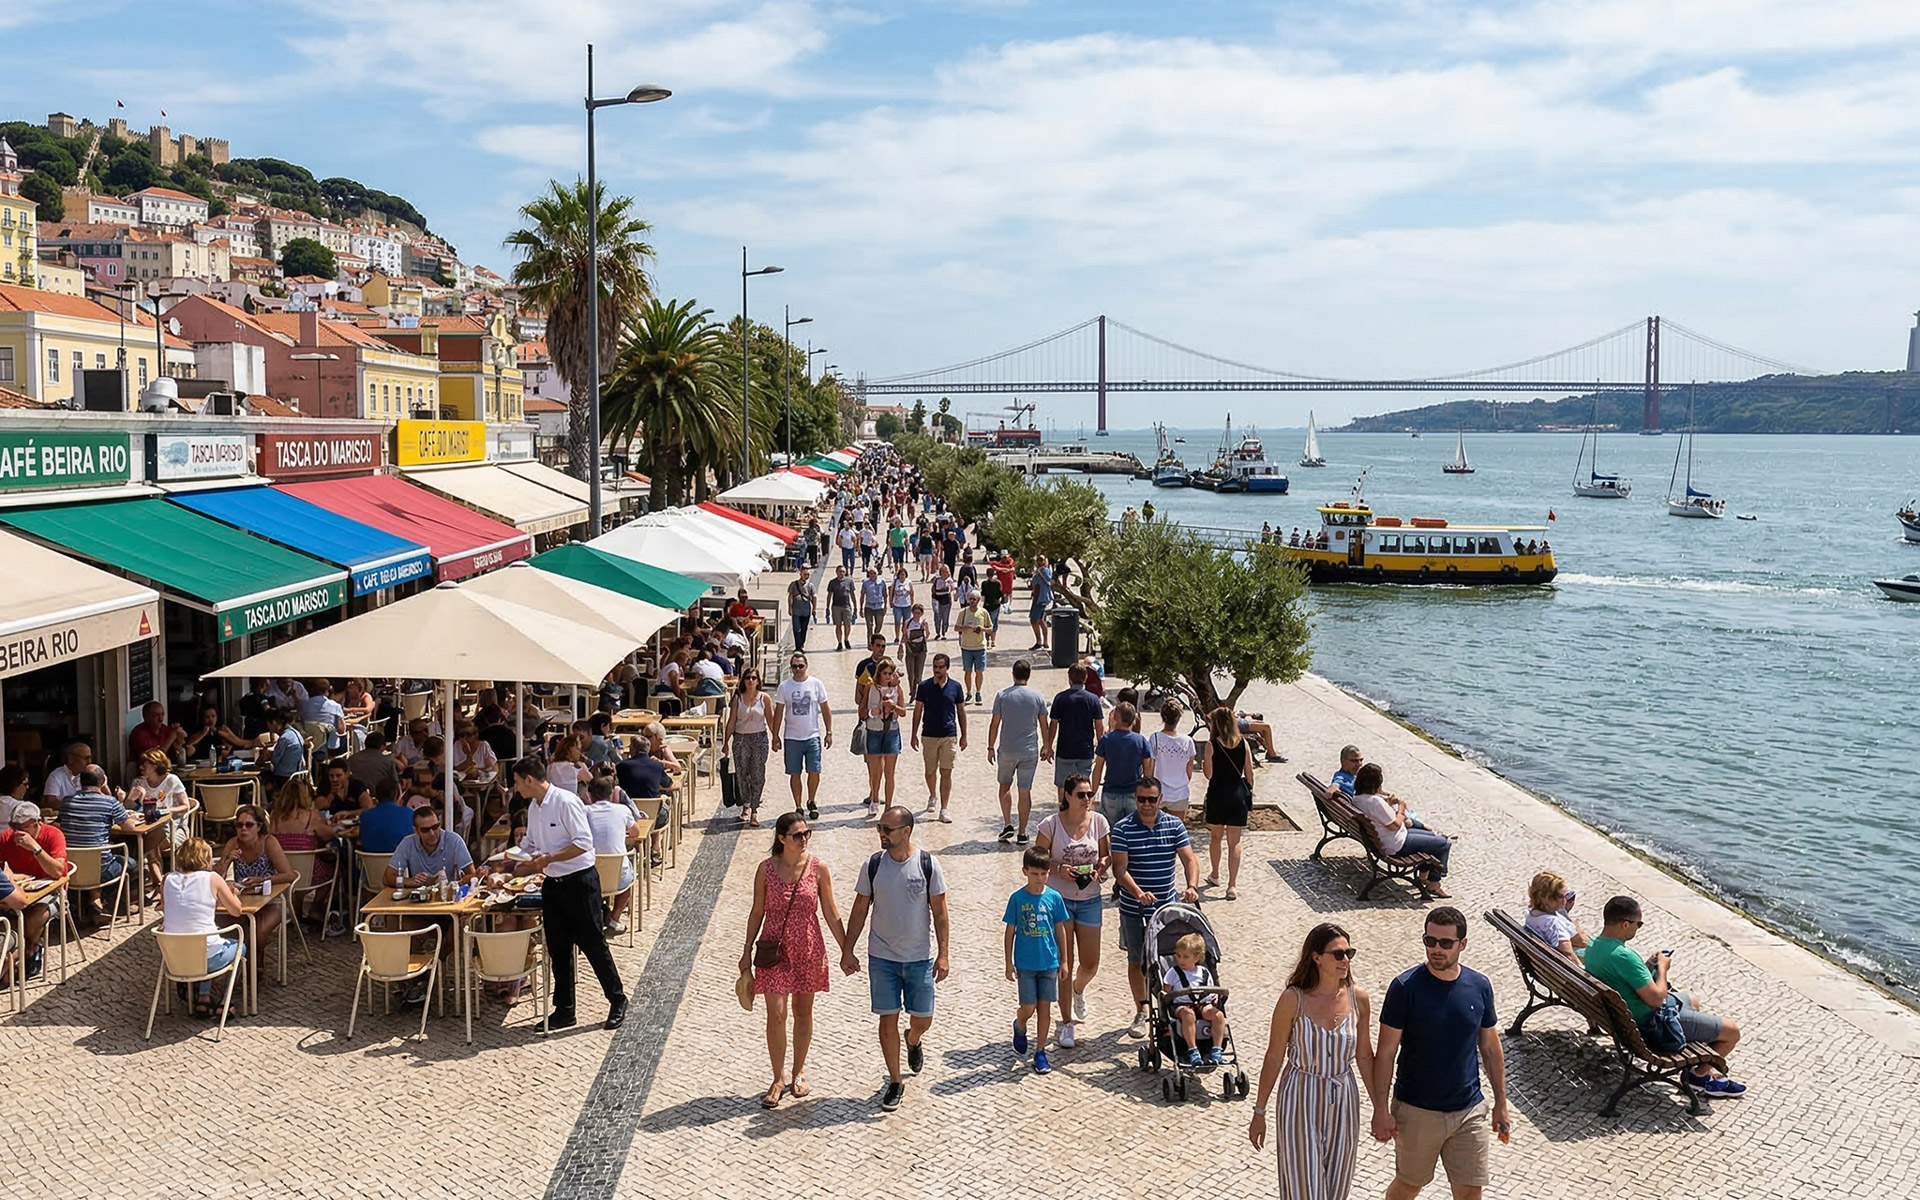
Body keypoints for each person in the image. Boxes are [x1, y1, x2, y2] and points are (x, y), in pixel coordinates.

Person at [1373, 907, 1510, 1200]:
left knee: (1470, 1192)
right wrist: (1380, 1109)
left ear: (1463, 944)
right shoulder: (1404, 988)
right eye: (1430, 940)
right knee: (1409, 1186)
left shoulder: (1479, 986)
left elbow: (1489, 1047)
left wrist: (1501, 1102)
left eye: (1445, 943)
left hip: (1469, 1110)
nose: (1436, 949)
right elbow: (1385, 1053)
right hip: (1417, 1111)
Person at [1248, 922, 1380, 1200]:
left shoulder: (1359, 999)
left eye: (1349, 953)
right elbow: (1274, 1056)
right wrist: (1259, 1112)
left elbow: (1365, 1056)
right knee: (1304, 1189)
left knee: (1337, 1188)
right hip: (1299, 1098)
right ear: (1316, 957)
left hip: (1344, 1100)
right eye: (1338, 954)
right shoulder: (1292, 999)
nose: (1345, 960)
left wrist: (1380, 1107)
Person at [841, 806, 951, 1113]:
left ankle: (913, 1039)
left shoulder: (928, 864)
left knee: (923, 1019)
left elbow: (940, 913)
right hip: (882, 958)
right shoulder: (873, 865)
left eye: (887, 829)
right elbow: (860, 909)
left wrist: (944, 954)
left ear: (906, 831)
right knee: (886, 1019)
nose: (881, 834)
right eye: (880, 828)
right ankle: (895, 1080)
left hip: (919, 958)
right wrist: (848, 949)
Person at [741, 810, 852, 1109]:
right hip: (774, 949)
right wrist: (746, 951)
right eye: (797, 835)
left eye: (807, 834)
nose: (804, 839)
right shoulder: (766, 869)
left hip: (807, 947)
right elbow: (757, 911)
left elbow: (830, 911)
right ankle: (777, 1078)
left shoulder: (818, 868)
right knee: (776, 1014)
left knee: (803, 1012)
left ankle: (798, 1071)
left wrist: (846, 949)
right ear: (781, 838)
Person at [1584, 895, 1746, 1096]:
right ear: (1625, 924)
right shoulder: (1624, 957)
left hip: (1621, 1018)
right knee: (1732, 1031)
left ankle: (1696, 1055)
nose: (1638, 928)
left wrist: (1647, 966)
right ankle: (1699, 1075)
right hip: (1651, 1025)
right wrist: (1662, 968)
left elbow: (1625, 978)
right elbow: (1657, 1000)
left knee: (1692, 1000)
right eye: (1638, 924)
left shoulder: (1593, 946)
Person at [509, 757, 627, 1031]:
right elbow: (530, 844)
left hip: (579, 882)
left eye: (517, 782)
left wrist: (548, 858)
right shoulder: (534, 807)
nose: (516, 788)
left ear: (529, 779)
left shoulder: (566, 802)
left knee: (593, 944)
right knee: (558, 948)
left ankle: (617, 999)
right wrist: (507, 861)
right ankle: (564, 1010)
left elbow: (583, 842)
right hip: (553, 884)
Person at [1109, 776, 1200, 1038]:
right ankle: (1142, 1010)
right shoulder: (1123, 829)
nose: (1146, 804)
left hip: (1166, 911)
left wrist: (1192, 886)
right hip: (1134, 909)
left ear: (1160, 799)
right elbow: (1120, 869)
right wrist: (1138, 893)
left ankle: (1170, 1007)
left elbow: (1189, 860)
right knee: (1136, 960)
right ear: (1135, 799)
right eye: (1141, 799)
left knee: (1171, 958)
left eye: (1151, 799)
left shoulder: (1174, 825)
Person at [1033, 775, 1108, 1049]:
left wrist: (1101, 867)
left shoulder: (1099, 822)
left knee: (1090, 963)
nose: (1087, 799)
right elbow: (1035, 858)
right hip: (1058, 901)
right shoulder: (1050, 825)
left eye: (1090, 794)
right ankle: (1066, 1022)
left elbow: (1106, 855)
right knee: (1064, 963)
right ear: (1067, 796)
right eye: (1081, 794)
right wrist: (1058, 870)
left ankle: (1079, 988)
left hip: (1090, 899)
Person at [160, 836, 247, 1017]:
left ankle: (203, 998)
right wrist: (233, 893)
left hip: (175, 959)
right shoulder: (212, 878)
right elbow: (236, 911)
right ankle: (225, 1001)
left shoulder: (167, 879)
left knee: (203, 938)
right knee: (240, 946)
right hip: (205, 958)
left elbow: (169, 907)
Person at [1003, 845, 1071, 1075]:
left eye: (1043, 873)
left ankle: (1040, 1051)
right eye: (1034, 874)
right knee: (1028, 1007)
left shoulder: (1054, 897)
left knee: (1045, 1009)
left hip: (1049, 963)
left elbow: (1060, 929)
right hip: (1025, 964)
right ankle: (1020, 1023)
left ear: (1048, 873)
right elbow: (1010, 931)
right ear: (1025, 872)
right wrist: (1008, 962)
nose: (1039, 878)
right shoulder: (1017, 898)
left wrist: (1064, 960)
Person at [1348, 764, 1453, 898]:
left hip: (1386, 839)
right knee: (1443, 844)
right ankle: (1434, 884)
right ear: (1377, 783)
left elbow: (1378, 816)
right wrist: (1401, 808)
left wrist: (1388, 805)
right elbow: (1395, 826)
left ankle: (1424, 876)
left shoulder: (1358, 798)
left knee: (1434, 836)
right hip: (1395, 843)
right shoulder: (1375, 802)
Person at [56, 765, 140, 920]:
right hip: (100, 869)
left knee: (95, 855)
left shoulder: (67, 802)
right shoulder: (109, 802)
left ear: (80, 782)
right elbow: (129, 827)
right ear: (103, 781)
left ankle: (93, 901)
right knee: (131, 864)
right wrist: (131, 817)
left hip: (72, 868)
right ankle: (105, 901)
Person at [988, 659, 1052, 844]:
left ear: (1013, 674)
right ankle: (1022, 832)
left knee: (1004, 786)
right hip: (1029, 750)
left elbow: (995, 723)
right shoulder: (1037, 697)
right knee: (1025, 791)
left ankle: (1008, 823)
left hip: (1007, 749)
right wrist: (1047, 745)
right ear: (1029, 675)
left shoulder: (1002, 695)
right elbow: (1044, 724)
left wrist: (990, 747)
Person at [216, 804, 296, 948]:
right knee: (223, 927)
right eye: (239, 825)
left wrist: (263, 880)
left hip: (270, 900)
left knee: (257, 934)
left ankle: (255, 961)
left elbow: (289, 875)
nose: (243, 829)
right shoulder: (233, 843)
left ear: (259, 827)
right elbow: (217, 877)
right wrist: (227, 861)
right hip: (242, 902)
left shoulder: (269, 843)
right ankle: (242, 960)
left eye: (249, 825)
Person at [1201, 706, 1255, 900]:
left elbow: (1209, 774)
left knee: (1216, 838)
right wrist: (1249, 791)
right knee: (1235, 842)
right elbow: (1249, 773)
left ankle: (1215, 874)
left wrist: (1204, 764)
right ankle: (1232, 885)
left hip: (1218, 793)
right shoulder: (1243, 743)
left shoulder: (1212, 745)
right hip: (1237, 795)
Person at [0, 805, 60, 977]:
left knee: (34, 919)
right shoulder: (6, 837)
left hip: (50, 891)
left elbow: (58, 872)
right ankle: (20, 954)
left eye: (21, 828)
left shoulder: (53, 835)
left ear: (35, 824)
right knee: (10, 923)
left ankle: (26, 951)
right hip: (18, 892)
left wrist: (35, 848)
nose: (16, 832)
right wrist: (12, 877)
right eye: (13, 827)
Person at [772, 652, 833, 821]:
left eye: (801, 666)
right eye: (794, 666)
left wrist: (829, 732)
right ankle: (798, 805)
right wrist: (775, 735)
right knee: (795, 773)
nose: (798, 669)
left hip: (812, 735)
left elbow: (825, 709)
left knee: (814, 770)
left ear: (806, 666)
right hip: (792, 737)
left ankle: (811, 800)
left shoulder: (816, 684)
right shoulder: (784, 687)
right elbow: (779, 712)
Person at [582, 777, 643, 934]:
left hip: (590, 876)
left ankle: (596, 915)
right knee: (628, 877)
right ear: (611, 794)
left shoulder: (584, 812)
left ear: (590, 795)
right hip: (616, 877)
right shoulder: (623, 810)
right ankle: (614, 919)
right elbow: (636, 832)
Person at [911, 654, 967, 824]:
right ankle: (932, 795)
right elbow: (917, 710)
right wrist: (913, 734)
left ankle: (944, 808)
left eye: (941, 667)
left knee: (946, 771)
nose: (937, 670)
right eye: (935, 666)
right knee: (930, 771)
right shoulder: (924, 686)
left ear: (947, 668)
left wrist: (964, 735)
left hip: (949, 735)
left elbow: (961, 711)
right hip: (929, 734)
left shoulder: (956, 687)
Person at [126, 749, 191, 894]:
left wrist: (165, 811)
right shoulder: (139, 782)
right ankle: (159, 884)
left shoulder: (171, 780)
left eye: (144, 765)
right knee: (149, 838)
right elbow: (127, 808)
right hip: (144, 828)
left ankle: (140, 869)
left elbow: (186, 806)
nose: (140, 767)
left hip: (173, 828)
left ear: (155, 766)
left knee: (150, 839)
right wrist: (131, 798)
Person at [1163, 931, 1231, 1066]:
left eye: (1185, 957)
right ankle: (1192, 1050)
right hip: (1182, 1005)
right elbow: (1167, 992)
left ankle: (1216, 1049)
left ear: (1197, 957)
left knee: (1218, 1016)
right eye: (1178, 956)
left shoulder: (1204, 972)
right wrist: (1165, 996)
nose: (1181, 960)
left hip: (1202, 1003)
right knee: (1188, 1015)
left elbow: (1210, 989)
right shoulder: (1173, 973)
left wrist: (1214, 997)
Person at [1045, 664, 1106, 807]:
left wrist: (1048, 745)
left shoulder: (1060, 698)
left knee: (1063, 784)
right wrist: (1101, 745)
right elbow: (1099, 725)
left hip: (1065, 749)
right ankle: (1084, 810)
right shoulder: (1093, 699)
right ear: (1085, 678)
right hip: (1085, 750)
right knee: (1084, 784)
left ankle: (1064, 810)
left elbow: (1053, 724)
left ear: (1069, 679)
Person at [723, 669, 776, 827]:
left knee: (758, 774)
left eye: (754, 678)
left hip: (759, 739)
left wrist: (776, 737)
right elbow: (732, 721)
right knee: (742, 774)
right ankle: (746, 805)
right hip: (740, 739)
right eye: (748, 678)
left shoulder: (764, 698)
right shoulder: (738, 699)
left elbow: (771, 720)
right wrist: (725, 742)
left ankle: (754, 809)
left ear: (758, 680)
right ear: (743, 680)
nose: (751, 680)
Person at [861, 658, 908, 819]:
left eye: (890, 673)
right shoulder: (871, 688)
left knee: (890, 772)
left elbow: (903, 712)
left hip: (891, 731)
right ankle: (874, 799)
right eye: (885, 673)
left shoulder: (897, 689)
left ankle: (888, 805)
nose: (887, 676)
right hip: (874, 730)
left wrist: (893, 707)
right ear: (879, 673)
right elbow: (861, 710)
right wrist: (871, 712)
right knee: (875, 771)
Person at [1091, 701, 1152, 824]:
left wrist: (1093, 792)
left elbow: (1098, 768)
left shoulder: (1106, 739)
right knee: (1133, 829)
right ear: (1134, 720)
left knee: (1111, 828)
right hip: (1134, 792)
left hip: (1111, 792)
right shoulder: (1141, 741)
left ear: (1115, 718)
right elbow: (1148, 771)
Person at [1146, 700, 1197, 816]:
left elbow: (1150, 768)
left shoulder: (1155, 738)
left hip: (1159, 793)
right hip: (1181, 793)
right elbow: (1189, 771)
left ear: (1163, 717)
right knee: (1176, 826)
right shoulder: (1188, 741)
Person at [1524, 871, 1587, 963]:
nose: (1564, 901)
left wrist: (1564, 913)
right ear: (1544, 897)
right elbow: (1568, 954)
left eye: (1566, 896)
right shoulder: (1553, 923)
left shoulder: (1532, 915)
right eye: (1560, 897)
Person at [357, 782, 415, 855]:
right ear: (397, 795)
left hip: (369, 861)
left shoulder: (365, 816)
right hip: (403, 861)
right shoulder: (409, 814)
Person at [954, 592, 990, 705]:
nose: (972, 601)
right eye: (970, 599)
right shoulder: (963, 612)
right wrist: (966, 627)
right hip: (966, 647)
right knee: (968, 671)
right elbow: (956, 628)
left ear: (978, 600)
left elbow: (990, 628)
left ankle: (978, 692)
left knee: (979, 671)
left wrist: (982, 629)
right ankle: (969, 692)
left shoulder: (983, 612)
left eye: (974, 599)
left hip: (980, 647)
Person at [258, 710, 307, 790]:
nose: (268, 727)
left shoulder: (284, 738)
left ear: (274, 722)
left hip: (285, 777)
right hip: (298, 774)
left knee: (260, 778)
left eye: (268, 724)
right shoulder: (296, 733)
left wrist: (267, 755)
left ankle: (263, 797)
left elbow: (275, 760)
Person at [301, 679, 348, 754]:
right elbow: (341, 729)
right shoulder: (335, 706)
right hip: (330, 747)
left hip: (308, 743)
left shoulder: (305, 704)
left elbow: (301, 719)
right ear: (329, 689)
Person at [41, 740, 94, 808]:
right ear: (71, 759)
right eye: (86, 758)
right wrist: (77, 807)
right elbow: (50, 801)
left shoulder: (91, 776)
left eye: (90, 758)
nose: (89, 761)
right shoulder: (56, 776)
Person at [826, 565, 858, 651]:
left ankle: (846, 639)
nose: (841, 573)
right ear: (836, 572)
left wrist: (855, 606)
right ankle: (839, 642)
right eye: (840, 571)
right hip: (836, 606)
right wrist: (827, 607)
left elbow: (852, 594)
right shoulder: (832, 582)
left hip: (846, 605)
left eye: (843, 571)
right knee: (838, 625)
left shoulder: (849, 581)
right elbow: (829, 595)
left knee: (848, 624)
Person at [1027, 554, 1053, 651]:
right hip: (1040, 597)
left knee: (1034, 620)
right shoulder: (1040, 570)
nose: (1039, 562)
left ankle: (1039, 641)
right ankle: (1045, 642)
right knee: (1041, 620)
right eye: (1038, 560)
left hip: (1040, 598)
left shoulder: (1043, 570)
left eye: (1042, 560)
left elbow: (1048, 579)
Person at [901, 602, 931, 687]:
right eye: (915, 612)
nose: (917, 615)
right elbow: (904, 634)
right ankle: (912, 690)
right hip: (910, 648)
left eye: (919, 613)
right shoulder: (908, 622)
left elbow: (928, 633)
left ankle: (918, 690)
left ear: (922, 613)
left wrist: (924, 640)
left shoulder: (923, 623)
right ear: (912, 612)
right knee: (911, 673)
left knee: (919, 673)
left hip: (921, 649)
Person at [787, 574, 816, 654]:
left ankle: (801, 644)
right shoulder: (794, 584)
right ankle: (798, 647)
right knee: (796, 628)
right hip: (796, 610)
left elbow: (814, 597)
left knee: (804, 629)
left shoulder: (811, 586)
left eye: (808, 574)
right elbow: (790, 596)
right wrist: (790, 608)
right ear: (801, 574)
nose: (807, 576)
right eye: (805, 574)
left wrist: (814, 608)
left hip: (806, 611)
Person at [861, 568, 889, 643]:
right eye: (871, 573)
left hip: (879, 606)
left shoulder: (882, 582)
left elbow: (885, 594)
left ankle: (876, 639)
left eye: (874, 573)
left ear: (877, 574)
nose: (872, 575)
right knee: (869, 626)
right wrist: (861, 608)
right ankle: (870, 643)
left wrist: (886, 606)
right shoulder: (865, 583)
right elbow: (862, 595)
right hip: (869, 606)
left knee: (879, 624)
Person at [889, 567, 915, 646]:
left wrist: (912, 602)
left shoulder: (909, 582)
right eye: (901, 574)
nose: (902, 576)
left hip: (907, 605)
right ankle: (897, 637)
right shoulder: (895, 582)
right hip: (897, 605)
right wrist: (890, 601)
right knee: (897, 622)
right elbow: (891, 592)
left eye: (903, 574)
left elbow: (912, 592)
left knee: (906, 623)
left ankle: (904, 636)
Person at [929, 564, 956, 640]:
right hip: (937, 599)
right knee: (937, 617)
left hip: (946, 600)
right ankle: (938, 632)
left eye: (946, 572)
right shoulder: (937, 579)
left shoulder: (950, 580)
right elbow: (933, 588)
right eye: (943, 571)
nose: (944, 573)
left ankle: (944, 632)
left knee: (945, 617)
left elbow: (952, 589)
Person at [980, 567, 1004, 646]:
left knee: (987, 623)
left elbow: (983, 595)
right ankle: (993, 641)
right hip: (995, 605)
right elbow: (1000, 594)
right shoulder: (998, 583)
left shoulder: (984, 583)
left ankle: (987, 640)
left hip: (987, 605)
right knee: (994, 623)